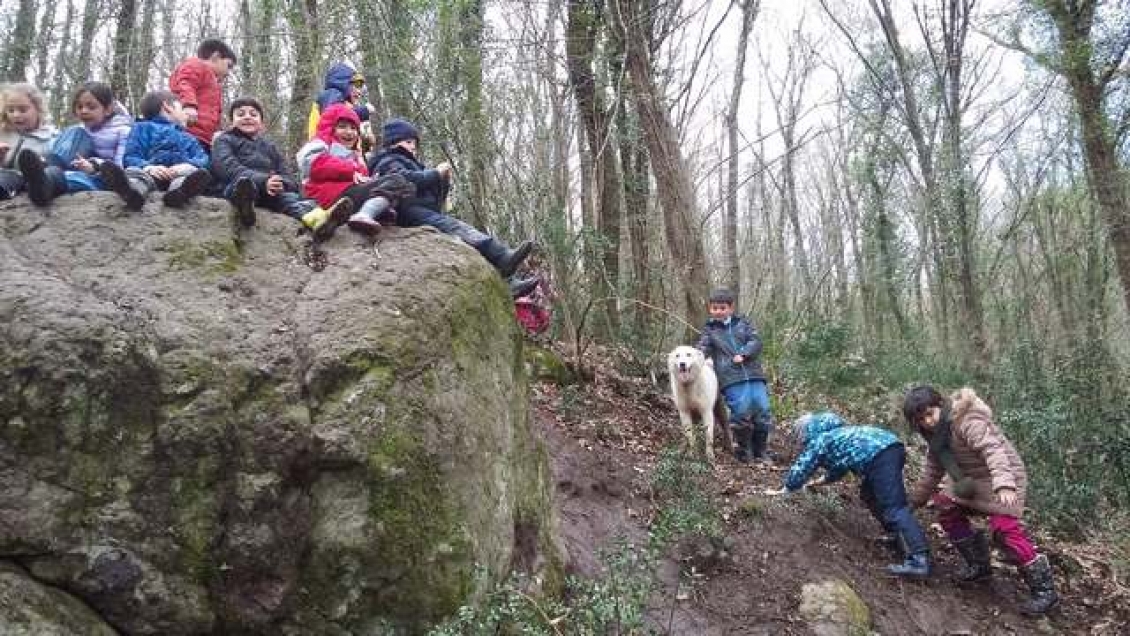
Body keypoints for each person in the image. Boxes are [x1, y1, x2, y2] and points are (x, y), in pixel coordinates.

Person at [904, 385, 1058, 615]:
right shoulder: (936, 440)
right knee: (946, 507)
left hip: (1004, 476)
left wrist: (1005, 484)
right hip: (971, 480)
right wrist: (912, 503)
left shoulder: (967, 421)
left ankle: (1044, 590)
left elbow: (993, 451)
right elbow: (931, 474)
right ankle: (979, 565)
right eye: (920, 419)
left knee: (1005, 530)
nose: (927, 422)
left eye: (930, 414)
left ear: (941, 405)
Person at [369, 117, 537, 297]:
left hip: (422, 211)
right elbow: (404, 180)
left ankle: (508, 283)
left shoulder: (411, 163)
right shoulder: (388, 161)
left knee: (465, 238)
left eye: (415, 143)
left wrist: (443, 181)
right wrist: (435, 173)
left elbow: (434, 199)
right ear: (394, 142)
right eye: (408, 141)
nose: (413, 147)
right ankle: (502, 256)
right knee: (460, 230)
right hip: (408, 212)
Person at [764, 411, 932, 578]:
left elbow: (803, 467)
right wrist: (817, 483)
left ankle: (919, 559)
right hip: (889, 449)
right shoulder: (841, 436)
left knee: (893, 506)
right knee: (869, 495)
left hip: (880, 456)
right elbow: (839, 468)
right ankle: (898, 535)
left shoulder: (821, 440)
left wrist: (787, 488)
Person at [213, 97, 352, 230]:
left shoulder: (269, 146)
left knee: (291, 199)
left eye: (253, 114)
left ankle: (321, 221)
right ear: (232, 121)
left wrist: (280, 183)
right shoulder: (224, 140)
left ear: (261, 123)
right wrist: (263, 180)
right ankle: (245, 208)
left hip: (270, 193)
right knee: (243, 186)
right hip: (239, 185)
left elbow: (287, 174)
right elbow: (226, 167)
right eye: (240, 114)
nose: (247, 117)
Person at [17, 81, 132, 206]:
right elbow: (57, 146)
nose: (84, 111)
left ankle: (43, 188)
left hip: (99, 177)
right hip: (69, 168)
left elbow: (120, 168)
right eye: (79, 107)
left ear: (108, 109)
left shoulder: (123, 131)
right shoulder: (79, 130)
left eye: (91, 107)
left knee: (74, 179)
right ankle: (41, 181)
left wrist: (94, 168)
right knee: (74, 135)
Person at [296, 103, 397, 241]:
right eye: (342, 126)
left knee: (397, 182)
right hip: (326, 196)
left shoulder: (355, 155)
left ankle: (372, 211)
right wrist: (352, 170)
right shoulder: (319, 144)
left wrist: (366, 175)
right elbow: (315, 165)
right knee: (393, 182)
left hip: (348, 193)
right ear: (330, 128)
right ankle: (365, 213)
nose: (349, 132)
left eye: (353, 128)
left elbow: (360, 177)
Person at [694, 288, 773, 463]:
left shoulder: (743, 323)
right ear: (710, 309)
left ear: (731, 308)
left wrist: (744, 353)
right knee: (741, 412)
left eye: (722, 308)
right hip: (730, 378)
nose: (718, 312)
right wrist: (693, 358)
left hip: (753, 373)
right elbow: (702, 348)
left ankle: (761, 451)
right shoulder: (710, 330)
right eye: (715, 308)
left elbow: (756, 341)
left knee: (763, 411)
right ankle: (745, 451)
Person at [99, 90, 211, 210]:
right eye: (182, 108)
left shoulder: (188, 137)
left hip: (178, 174)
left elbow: (203, 158)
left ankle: (179, 194)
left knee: (190, 174)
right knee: (135, 172)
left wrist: (186, 165)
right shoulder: (141, 128)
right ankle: (132, 193)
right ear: (167, 107)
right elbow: (130, 156)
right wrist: (149, 167)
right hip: (149, 174)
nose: (186, 114)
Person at [169, 39, 237, 151]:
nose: (228, 72)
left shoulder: (214, 84)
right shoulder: (196, 65)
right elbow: (185, 83)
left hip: (205, 138)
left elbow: (215, 112)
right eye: (228, 65)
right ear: (216, 56)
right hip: (189, 132)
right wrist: (189, 105)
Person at [0, 83, 57, 199]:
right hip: (9, 177)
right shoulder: (3, 133)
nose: (16, 115)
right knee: (6, 177)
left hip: (37, 180)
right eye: (11, 110)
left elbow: (57, 162)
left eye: (22, 110)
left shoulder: (51, 137)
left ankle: (40, 191)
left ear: (38, 109)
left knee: (54, 173)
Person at [307, 62, 374, 141]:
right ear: (343, 82)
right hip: (324, 149)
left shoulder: (344, 102)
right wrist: (364, 111)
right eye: (357, 86)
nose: (359, 92)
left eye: (360, 87)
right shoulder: (332, 93)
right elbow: (334, 115)